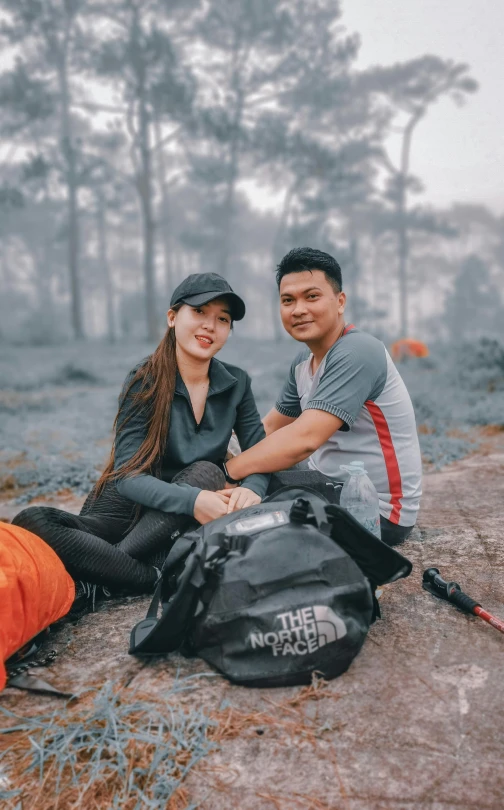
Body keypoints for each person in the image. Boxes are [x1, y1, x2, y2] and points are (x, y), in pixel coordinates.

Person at [12, 273, 269, 604]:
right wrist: (193, 502)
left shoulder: (237, 383)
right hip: (126, 508)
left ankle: (105, 572)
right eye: (200, 312)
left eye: (223, 319)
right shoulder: (144, 379)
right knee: (31, 521)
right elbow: (128, 477)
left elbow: (262, 453)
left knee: (206, 471)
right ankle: (144, 577)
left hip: (173, 523)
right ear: (173, 317)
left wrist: (253, 488)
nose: (210, 326)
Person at [221, 247, 422, 546]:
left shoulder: (359, 351)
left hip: (375, 509)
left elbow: (305, 439)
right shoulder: (305, 360)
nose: (298, 309)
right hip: (327, 483)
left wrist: (230, 471)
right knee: (238, 471)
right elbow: (272, 427)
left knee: (238, 510)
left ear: (340, 302)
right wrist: (222, 452)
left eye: (311, 296)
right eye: (288, 300)